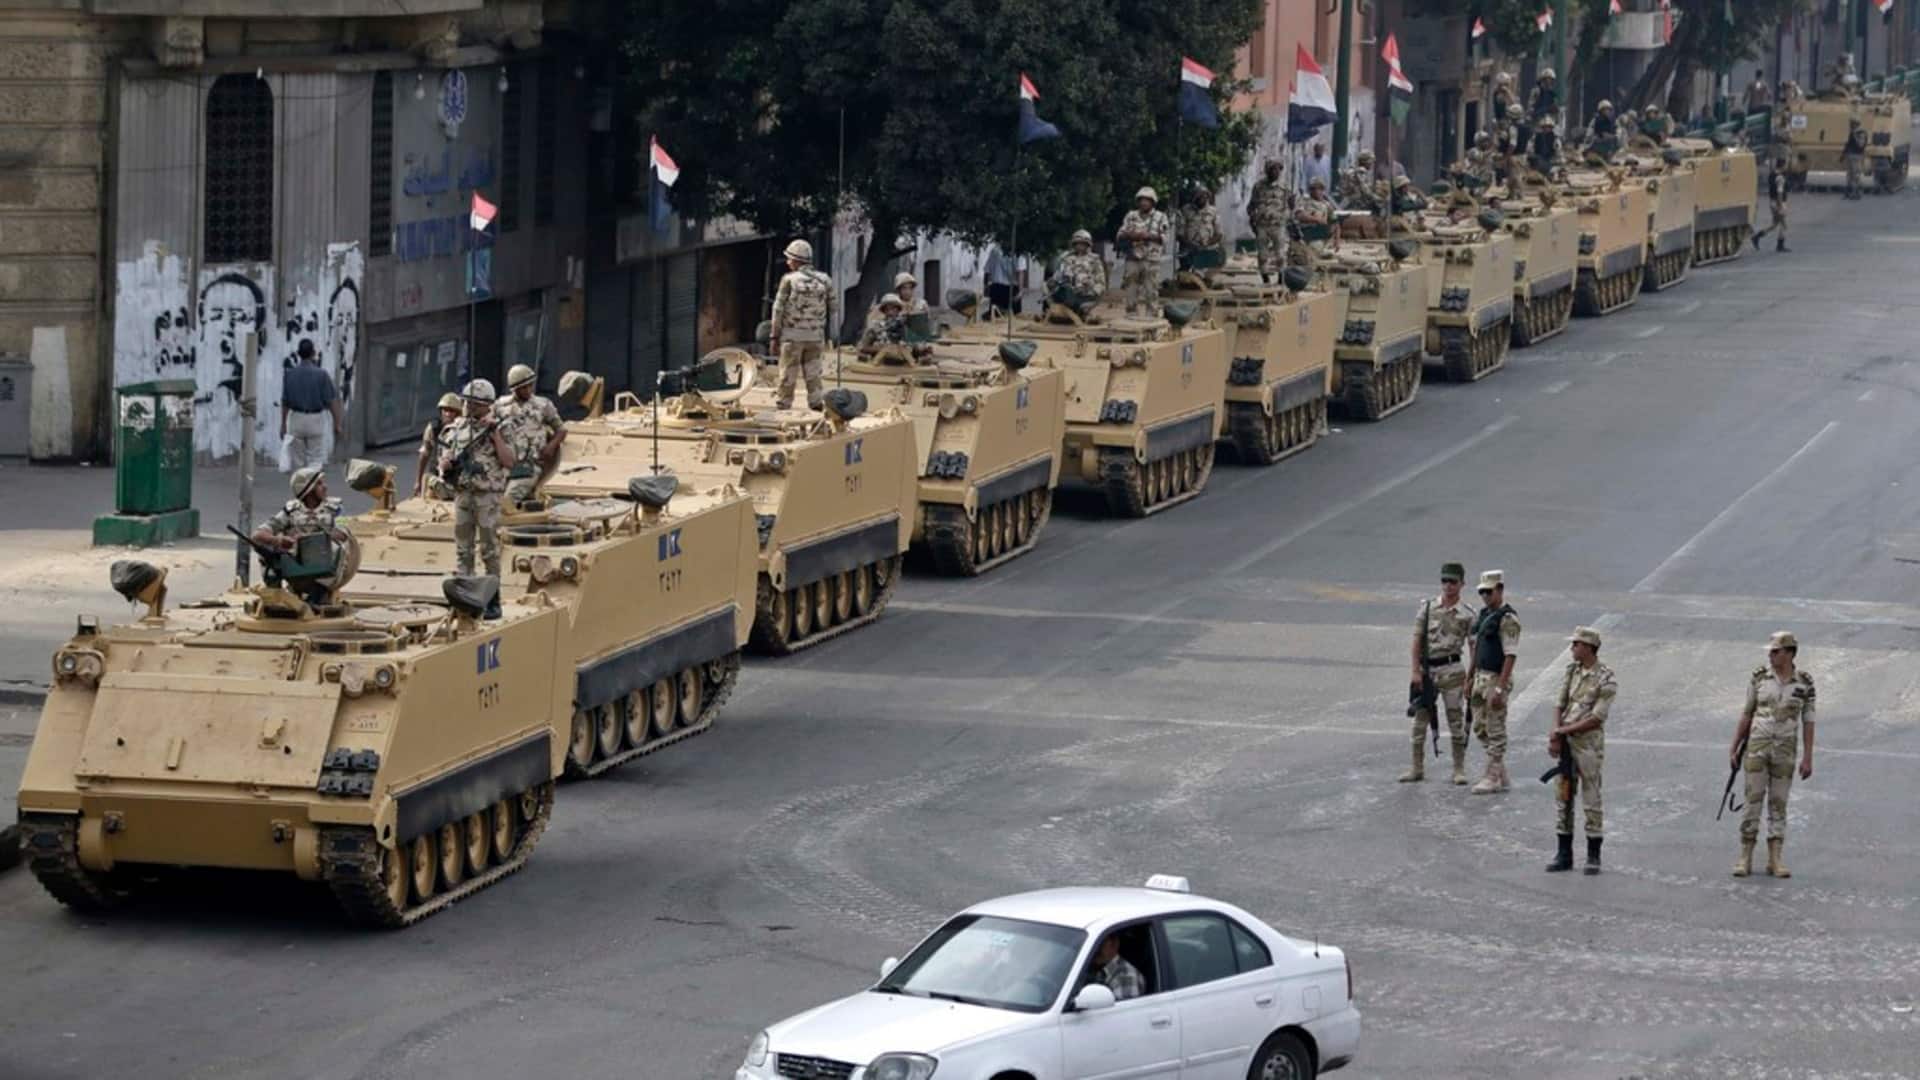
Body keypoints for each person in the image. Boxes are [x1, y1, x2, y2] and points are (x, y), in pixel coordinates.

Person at [1729, 631, 1815, 879]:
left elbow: (1809, 721)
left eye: (1776, 652)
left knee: (1779, 803)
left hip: (1785, 751)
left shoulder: (1804, 683)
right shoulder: (1759, 678)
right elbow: (1747, 713)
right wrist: (1735, 746)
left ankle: (1775, 859)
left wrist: (1808, 757)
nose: (1771, 655)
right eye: (1770, 652)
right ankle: (1745, 856)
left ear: (1789, 653)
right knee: (1752, 801)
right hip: (1757, 747)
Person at [1545, 627, 1617, 875]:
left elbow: (1596, 718)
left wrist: (1564, 730)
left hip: (1588, 746)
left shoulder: (1606, 678)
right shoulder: (1571, 671)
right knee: (1563, 796)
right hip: (1566, 742)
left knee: (1591, 797)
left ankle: (1593, 854)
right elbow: (1559, 704)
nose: (1572, 648)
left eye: (1576, 644)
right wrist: (1556, 733)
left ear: (1588, 647)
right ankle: (1563, 853)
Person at [1403, 562, 1478, 784]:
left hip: (1452, 669)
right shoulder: (1427, 609)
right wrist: (1415, 671)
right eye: (1444, 581)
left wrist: (1471, 677)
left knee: (1456, 720)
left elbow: (1474, 648)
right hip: (1428, 671)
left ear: (1462, 584)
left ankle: (1459, 769)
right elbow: (1416, 641)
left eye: (1452, 581)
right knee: (1420, 721)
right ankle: (1416, 768)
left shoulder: (1468, 614)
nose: (1448, 586)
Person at [438, 378, 515, 579]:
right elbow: (444, 455)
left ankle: (492, 590)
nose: (468, 406)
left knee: (489, 549)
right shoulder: (456, 428)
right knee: (463, 549)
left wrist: (495, 435)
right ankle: (466, 586)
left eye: (475, 403)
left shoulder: (501, 427)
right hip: (462, 493)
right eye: (467, 402)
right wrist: (445, 464)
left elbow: (509, 461)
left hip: (486, 496)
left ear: (487, 405)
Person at [1469, 570, 1521, 794]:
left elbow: (1510, 655)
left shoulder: (1507, 619)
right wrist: (1469, 677)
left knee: (1495, 728)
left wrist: (1500, 687)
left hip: (1495, 678)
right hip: (1480, 677)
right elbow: (1476, 649)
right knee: (1480, 728)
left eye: (1489, 592)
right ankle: (1500, 772)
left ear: (1500, 590)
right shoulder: (1484, 615)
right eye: (1482, 592)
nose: (1485, 596)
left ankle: (1492, 776)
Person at [769, 238, 834, 410]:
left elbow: (777, 309)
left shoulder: (788, 280)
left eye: (789, 258)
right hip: (816, 337)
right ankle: (816, 405)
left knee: (788, 374)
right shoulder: (825, 280)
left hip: (792, 337)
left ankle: (784, 406)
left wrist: (774, 336)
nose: (788, 262)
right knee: (814, 374)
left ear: (796, 260)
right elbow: (834, 307)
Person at [495, 363, 565, 506]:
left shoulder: (543, 405)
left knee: (509, 499)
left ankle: (505, 510)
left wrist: (551, 446)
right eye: (523, 387)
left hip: (530, 465)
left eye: (530, 386)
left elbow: (561, 430)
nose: (528, 390)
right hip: (505, 465)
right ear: (514, 388)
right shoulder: (500, 406)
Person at [280, 338, 344, 473]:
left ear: (298, 354)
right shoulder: (321, 375)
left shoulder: (290, 375)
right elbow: (331, 401)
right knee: (315, 458)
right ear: (313, 353)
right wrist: (337, 423)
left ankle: (301, 482)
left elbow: (285, 402)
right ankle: (313, 481)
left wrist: (283, 424)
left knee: (298, 459)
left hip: (296, 418)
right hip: (315, 418)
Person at [252, 466, 346, 553]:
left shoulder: (335, 508)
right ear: (308, 490)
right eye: (319, 484)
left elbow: (343, 534)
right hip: (296, 563)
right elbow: (258, 535)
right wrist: (278, 541)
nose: (325, 487)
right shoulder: (291, 511)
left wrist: (306, 540)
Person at [1116, 187, 1170, 316]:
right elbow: (1120, 234)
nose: (1144, 203)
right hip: (1133, 257)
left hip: (1151, 258)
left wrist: (1148, 236)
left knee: (1151, 288)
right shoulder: (1131, 216)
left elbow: (1165, 237)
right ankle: (1131, 313)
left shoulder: (1160, 217)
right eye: (1141, 200)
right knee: (1131, 286)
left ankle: (1151, 315)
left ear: (1153, 202)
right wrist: (1131, 235)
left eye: (1147, 200)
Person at [1246, 160, 1291, 283]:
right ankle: (1265, 278)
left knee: (1280, 254)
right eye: (1272, 169)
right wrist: (1252, 220)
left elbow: (1289, 206)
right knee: (1262, 254)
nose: (1275, 172)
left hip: (1278, 225)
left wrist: (1286, 217)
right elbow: (1251, 206)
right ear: (1267, 171)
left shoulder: (1284, 187)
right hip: (1262, 225)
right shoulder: (1258, 186)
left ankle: (1281, 278)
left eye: (1278, 169)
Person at [413, 391, 462, 499]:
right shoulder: (433, 428)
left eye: (452, 411)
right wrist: (418, 481)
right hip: (436, 478)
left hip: (457, 480)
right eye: (445, 410)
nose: (448, 414)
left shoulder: (464, 430)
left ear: (458, 413)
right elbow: (424, 454)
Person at [1053, 230, 1107, 305]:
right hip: (1069, 294)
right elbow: (1058, 276)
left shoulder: (1094, 260)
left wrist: (1093, 291)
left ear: (1087, 244)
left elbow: (1101, 282)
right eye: (1078, 243)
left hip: (1087, 295)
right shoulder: (1067, 259)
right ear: (1074, 244)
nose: (1080, 246)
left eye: (1082, 244)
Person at [1291, 177, 1335, 269]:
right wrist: (1316, 219)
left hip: (1317, 236)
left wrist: (1335, 239)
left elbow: (1334, 221)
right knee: (1296, 257)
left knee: (1310, 257)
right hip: (1303, 233)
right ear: (1310, 190)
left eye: (1320, 189)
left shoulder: (1327, 205)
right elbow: (1299, 215)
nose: (1317, 191)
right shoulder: (1304, 201)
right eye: (1314, 189)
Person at [1752, 156, 1792, 253]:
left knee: (1774, 224)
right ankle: (1780, 245)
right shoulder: (1780, 178)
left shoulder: (1772, 175)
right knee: (1784, 225)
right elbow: (1780, 192)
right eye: (1786, 165)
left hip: (1772, 201)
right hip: (1779, 202)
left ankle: (1757, 236)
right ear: (1783, 165)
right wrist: (1780, 206)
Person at [1089, 933, 1143, 1001]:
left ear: (1114, 944)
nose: (1094, 950)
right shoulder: (1095, 968)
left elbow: (1124, 1007)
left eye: (1099, 944)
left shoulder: (1125, 977)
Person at [1842, 119, 1868, 200]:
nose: (1850, 126)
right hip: (1850, 155)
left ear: (1856, 125)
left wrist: (1855, 136)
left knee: (1856, 174)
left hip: (1856, 155)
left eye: (1852, 124)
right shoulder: (1852, 133)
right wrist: (1844, 154)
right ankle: (1849, 192)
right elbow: (1848, 144)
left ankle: (1857, 193)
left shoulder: (1861, 133)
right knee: (1850, 175)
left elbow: (1860, 145)